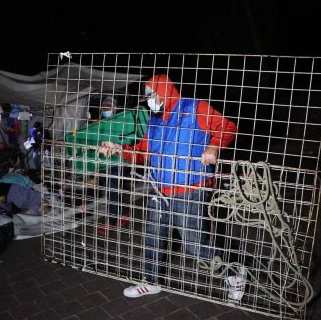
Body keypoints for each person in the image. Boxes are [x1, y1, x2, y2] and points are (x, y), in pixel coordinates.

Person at [99, 74, 239, 298]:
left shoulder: (195, 108)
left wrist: (213, 147)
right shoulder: (154, 121)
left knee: (193, 243)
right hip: (161, 189)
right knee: (153, 235)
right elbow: (143, 153)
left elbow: (227, 127)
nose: (149, 100)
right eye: (147, 97)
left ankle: (233, 273)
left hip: (191, 188)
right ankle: (150, 281)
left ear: (164, 90)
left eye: (152, 95)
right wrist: (118, 148)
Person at [95, 96, 130, 236]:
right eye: (104, 107)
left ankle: (110, 221)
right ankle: (123, 213)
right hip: (105, 162)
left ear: (115, 108)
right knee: (112, 189)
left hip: (118, 161)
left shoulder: (121, 122)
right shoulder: (99, 124)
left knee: (112, 189)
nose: (106, 109)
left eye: (109, 107)